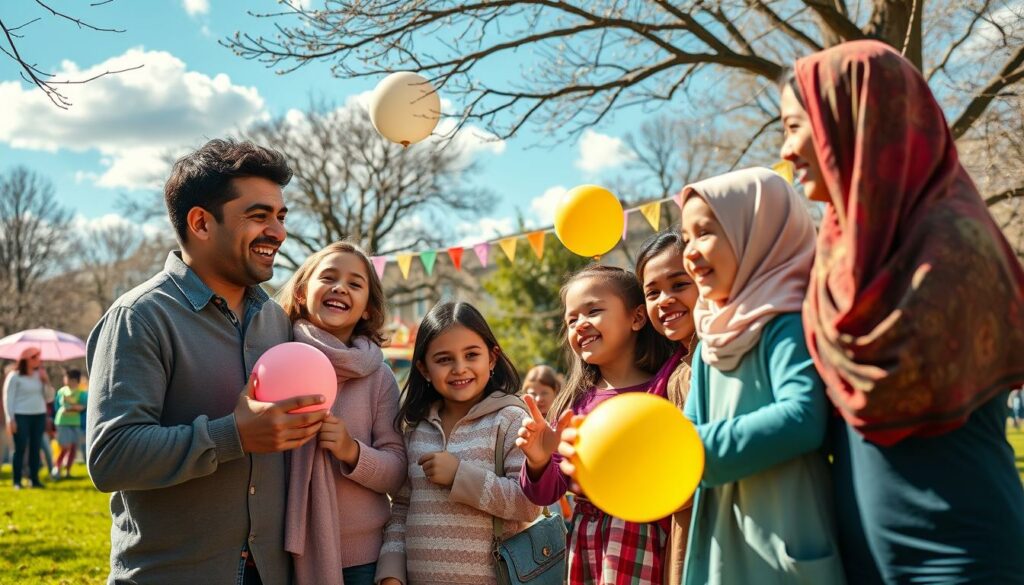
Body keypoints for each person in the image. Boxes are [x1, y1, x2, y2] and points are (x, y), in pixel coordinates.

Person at [780, 40, 1024, 584]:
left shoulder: (956, 243)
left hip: (960, 555)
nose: (787, 150)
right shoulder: (836, 257)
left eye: (797, 127)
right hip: (861, 557)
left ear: (858, 122)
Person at [86, 139, 329, 585]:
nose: (278, 231)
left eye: (280, 217)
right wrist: (232, 435)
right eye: (259, 216)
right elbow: (111, 457)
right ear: (200, 222)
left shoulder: (275, 320)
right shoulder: (139, 317)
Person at [677, 168, 843, 584]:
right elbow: (687, 432)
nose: (691, 252)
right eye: (685, 239)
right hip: (723, 535)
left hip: (785, 531)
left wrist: (692, 452)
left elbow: (802, 417)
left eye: (706, 233)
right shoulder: (710, 338)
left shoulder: (786, 320)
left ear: (757, 231)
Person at [517, 264, 680, 585]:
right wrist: (537, 460)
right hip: (586, 538)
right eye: (571, 319)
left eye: (593, 310)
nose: (580, 324)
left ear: (636, 317)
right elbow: (549, 490)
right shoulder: (574, 403)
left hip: (644, 535)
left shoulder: (667, 386)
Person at [377, 301, 539, 585]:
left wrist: (459, 475)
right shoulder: (416, 428)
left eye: (471, 355)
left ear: (492, 358)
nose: (459, 368)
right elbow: (401, 508)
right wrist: (391, 573)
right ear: (424, 368)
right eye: (443, 359)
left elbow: (528, 505)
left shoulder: (510, 420)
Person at [279, 241, 407, 585]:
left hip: (362, 559)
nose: (340, 287)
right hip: (281, 552)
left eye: (355, 283)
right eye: (329, 277)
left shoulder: (378, 377)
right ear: (303, 292)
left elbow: (398, 470)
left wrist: (352, 451)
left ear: (367, 308)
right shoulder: (277, 357)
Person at [635, 229, 699, 585]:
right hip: (682, 525)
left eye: (679, 284)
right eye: (653, 292)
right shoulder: (672, 372)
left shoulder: (716, 358)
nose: (665, 300)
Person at [520, 365, 574, 525]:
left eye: (544, 393)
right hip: (535, 498)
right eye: (533, 394)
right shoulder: (524, 422)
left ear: (556, 392)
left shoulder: (563, 421)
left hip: (563, 500)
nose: (538, 399)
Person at [3, 348, 51, 489]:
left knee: (36, 449)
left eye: (39, 357)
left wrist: (46, 381)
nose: (38, 360)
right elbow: (8, 398)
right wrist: (9, 419)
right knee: (20, 448)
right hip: (20, 416)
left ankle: (34, 480)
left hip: (39, 415)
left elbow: (49, 397)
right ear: (26, 359)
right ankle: (17, 481)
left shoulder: (40, 375)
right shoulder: (14, 376)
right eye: (35, 357)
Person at [52, 368, 86, 479]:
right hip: (62, 422)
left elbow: (83, 406)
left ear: (74, 380)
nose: (65, 380)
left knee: (73, 447)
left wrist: (73, 407)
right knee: (64, 446)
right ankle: (56, 469)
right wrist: (74, 407)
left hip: (75, 423)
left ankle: (67, 471)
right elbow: (60, 406)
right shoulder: (62, 391)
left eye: (67, 377)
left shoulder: (82, 393)